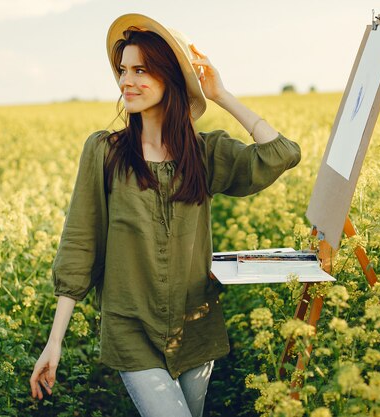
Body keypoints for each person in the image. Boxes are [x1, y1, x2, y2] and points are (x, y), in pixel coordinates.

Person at [29, 13, 301, 417]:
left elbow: (282, 153)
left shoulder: (204, 153)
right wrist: (54, 342)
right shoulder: (105, 151)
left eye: (141, 69)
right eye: (123, 70)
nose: (126, 81)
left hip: (196, 327)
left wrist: (221, 95)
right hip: (131, 328)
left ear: (168, 77)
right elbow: (79, 244)